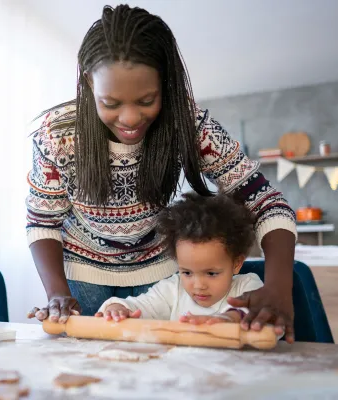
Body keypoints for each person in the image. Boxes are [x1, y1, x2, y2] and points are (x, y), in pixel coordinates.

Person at [26, 4, 296, 343]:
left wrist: (278, 286)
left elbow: (267, 202)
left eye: (146, 100)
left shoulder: (189, 126)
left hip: (162, 280)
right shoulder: (57, 136)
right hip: (83, 278)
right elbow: (42, 222)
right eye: (110, 103)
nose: (129, 118)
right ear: (88, 83)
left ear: (165, 85)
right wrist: (56, 294)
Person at [96, 192, 263, 324]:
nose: (198, 286)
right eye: (187, 273)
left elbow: (256, 312)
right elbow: (139, 306)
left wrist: (229, 319)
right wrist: (117, 308)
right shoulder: (173, 289)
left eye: (211, 273)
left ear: (237, 263)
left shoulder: (247, 287)